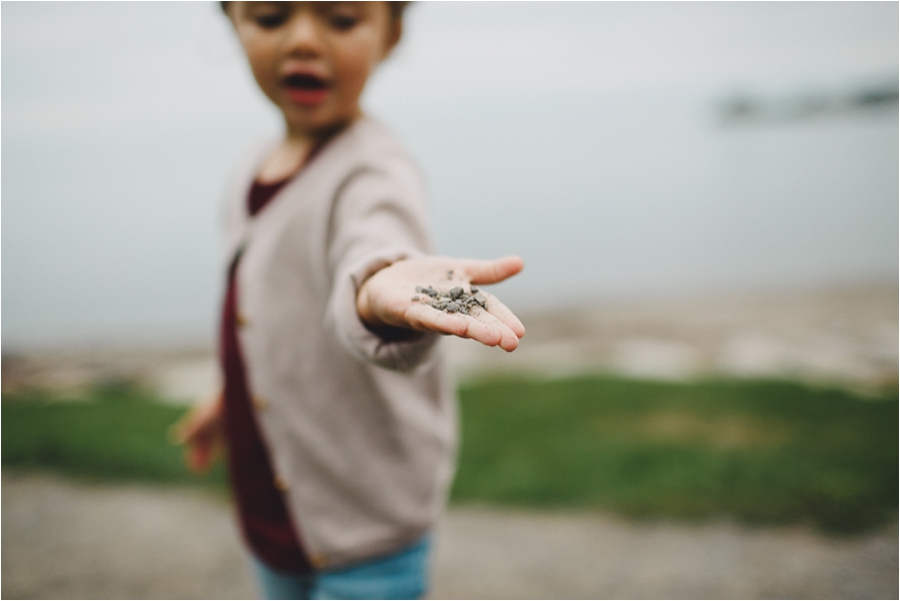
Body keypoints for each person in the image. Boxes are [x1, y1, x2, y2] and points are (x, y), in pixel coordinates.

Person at [171, 2, 525, 599]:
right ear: (232, 20)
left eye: (340, 19)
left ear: (393, 32)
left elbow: (375, 243)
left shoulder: (375, 171)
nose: (304, 41)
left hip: (368, 532)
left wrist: (378, 287)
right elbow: (264, 315)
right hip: (272, 521)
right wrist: (229, 395)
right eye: (271, 15)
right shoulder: (250, 168)